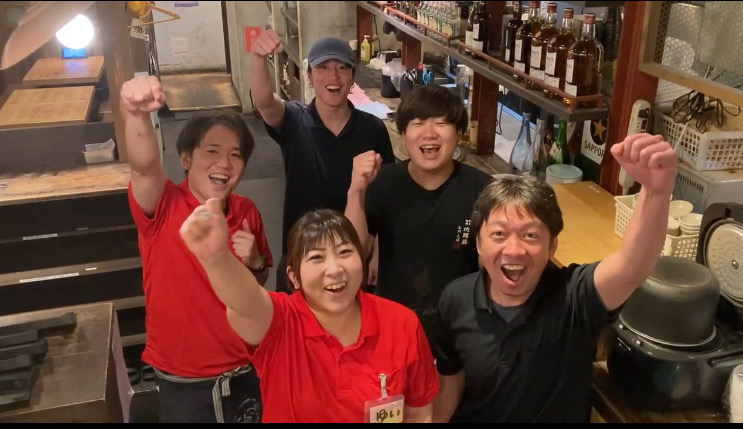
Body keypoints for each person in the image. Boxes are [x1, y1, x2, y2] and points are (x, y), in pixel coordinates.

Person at [433, 133, 678, 422]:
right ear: (478, 244)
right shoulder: (455, 299)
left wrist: (656, 191)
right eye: (498, 234)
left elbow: (632, 266)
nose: (514, 249)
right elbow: (451, 383)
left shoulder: (575, 296)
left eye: (530, 235)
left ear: (552, 247)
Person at [179, 205, 439, 423]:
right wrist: (216, 258)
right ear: (294, 277)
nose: (334, 269)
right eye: (316, 257)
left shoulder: (401, 323)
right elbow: (245, 301)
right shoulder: (279, 320)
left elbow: (418, 413)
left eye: (345, 252)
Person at [121, 75, 273, 423]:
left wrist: (255, 263)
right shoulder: (163, 204)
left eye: (236, 155)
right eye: (212, 151)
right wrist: (136, 114)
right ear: (186, 158)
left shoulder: (246, 211)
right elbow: (144, 167)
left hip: (246, 368)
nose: (225, 163)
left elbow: (257, 284)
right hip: (185, 379)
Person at [344, 84, 493, 352]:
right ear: (403, 134)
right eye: (418, 123)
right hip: (394, 324)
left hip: (462, 329)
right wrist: (356, 191)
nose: (429, 133)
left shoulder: (483, 190)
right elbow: (354, 252)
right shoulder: (383, 183)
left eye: (441, 123)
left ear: (459, 133)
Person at [248, 29, 395, 293]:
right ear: (309, 76)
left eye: (342, 67)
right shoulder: (294, 120)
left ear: (353, 78)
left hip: (353, 254)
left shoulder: (372, 128)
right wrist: (258, 57)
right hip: (302, 252)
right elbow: (265, 102)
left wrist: (379, 250)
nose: (333, 76)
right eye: (323, 67)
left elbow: (388, 195)